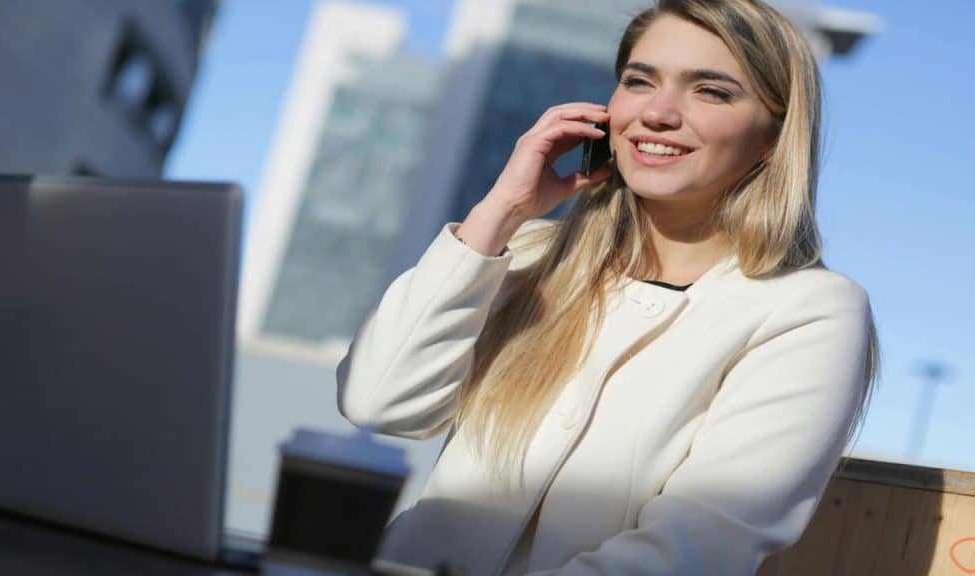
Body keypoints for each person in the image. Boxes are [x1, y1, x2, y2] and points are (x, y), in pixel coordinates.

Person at [336, 0, 879, 574]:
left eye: (711, 91)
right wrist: (500, 211)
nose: (659, 113)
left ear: (774, 136)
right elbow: (378, 402)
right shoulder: (526, 255)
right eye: (639, 82)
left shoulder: (809, 311)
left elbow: (695, 548)